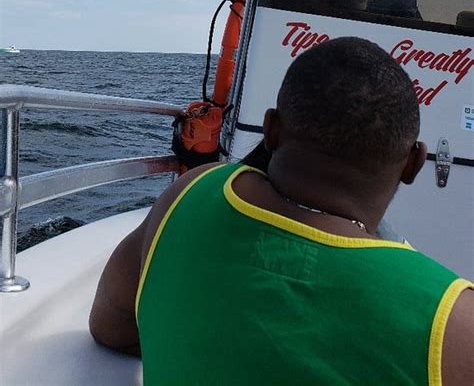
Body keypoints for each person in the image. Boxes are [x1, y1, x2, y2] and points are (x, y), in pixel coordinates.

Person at [89, 37, 473, 385]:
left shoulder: (188, 194)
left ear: (271, 129)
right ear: (413, 164)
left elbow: (110, 326)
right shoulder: (452, 322)